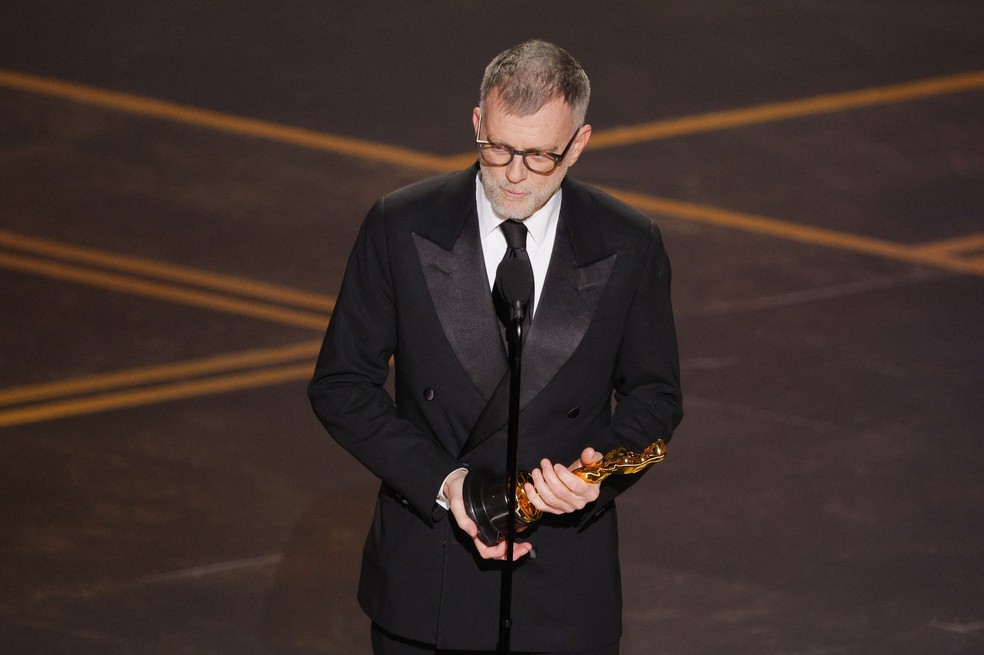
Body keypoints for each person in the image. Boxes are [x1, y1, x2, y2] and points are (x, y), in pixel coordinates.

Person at [308, 39, 683, 655]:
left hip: (564, 583)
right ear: (478, 122)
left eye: (540, 156)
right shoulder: (401, 225)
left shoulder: (630, 243)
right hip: (430, 579)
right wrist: (446, 482)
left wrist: (595, 474)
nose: (513, 173)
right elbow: (341, 384)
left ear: (578, 145)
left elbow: (656, 396)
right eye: (499, 148)